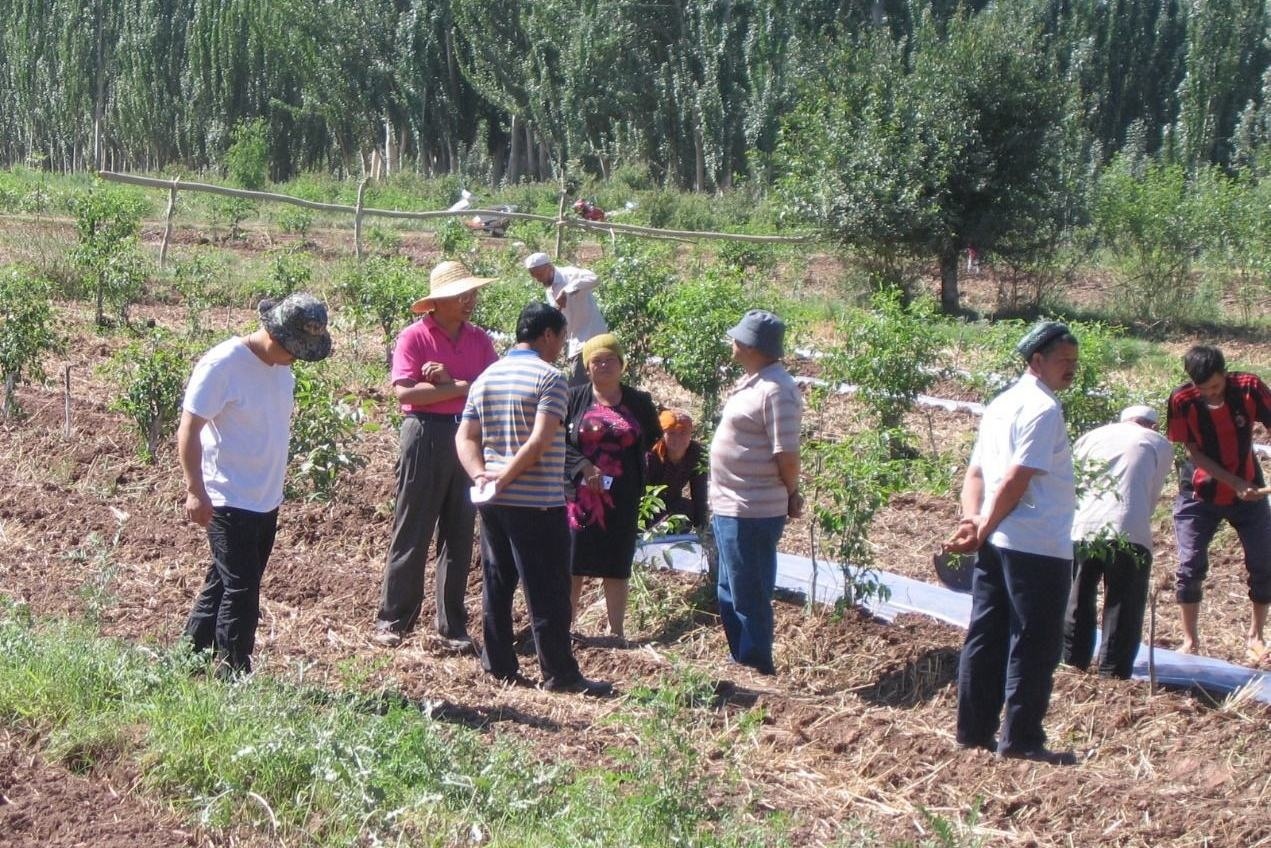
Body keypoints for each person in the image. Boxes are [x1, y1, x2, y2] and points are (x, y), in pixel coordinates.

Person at [455, 301, 612, 696]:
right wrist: (507, 476)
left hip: (492, 500)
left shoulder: (486, 377)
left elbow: (466, 437)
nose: (560, 346)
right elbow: (541, 440)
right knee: (548, 589)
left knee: (497, 580)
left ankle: (498, 664)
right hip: (537, 501)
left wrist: (482, 475)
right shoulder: (550, 379)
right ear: (547, 335)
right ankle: (559, 674)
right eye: (560, 337)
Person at [944, 321, 1079, 764]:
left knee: (987, 632)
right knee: (1034, 641)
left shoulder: (1001, 404)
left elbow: (976, 475)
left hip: (998, 539)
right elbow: (1015, 479)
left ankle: (973, 732)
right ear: (1036, 361)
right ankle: (1020, 740)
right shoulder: (1044, 409)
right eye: (1064, 362)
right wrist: (979, 526)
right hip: (1036, 544)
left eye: (1074, 363)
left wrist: (974, 522)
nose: (1071, 371)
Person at [179, 292, 333, 676]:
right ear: (275, 335)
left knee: (224, 581)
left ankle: (190, 656)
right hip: (227, 497)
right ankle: (233, 673)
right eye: (297, 349)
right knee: (242, 590)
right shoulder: (223, 364)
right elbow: (189, 428)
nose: (299, 358)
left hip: (265, 500)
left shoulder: (282, 370)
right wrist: (195, 490)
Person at [373, 261, 498, 650]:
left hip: (468, 435)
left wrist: (447, 384)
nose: (470, 301)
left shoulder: (479, 339)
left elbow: (491, 388)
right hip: (425, 433)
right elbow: (406, 394)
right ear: (439, 301)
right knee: (413, 529)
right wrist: (462, 387)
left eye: (472, 293)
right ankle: (394, 619)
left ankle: (453, 625)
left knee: (460, 533)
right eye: (462, 295)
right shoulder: (414, 337)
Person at [709, 310, 803, 676]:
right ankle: (740, 657)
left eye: (738, 338)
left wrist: (792, 492)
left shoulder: (777, 391)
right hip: (729, 505)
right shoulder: (754, 382)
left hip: (753, 509)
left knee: (750, 591)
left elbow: (787, 453)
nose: (732, 343)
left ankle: (756, 664)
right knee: (730, 590)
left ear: (751, 346)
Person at [1165, 345, 1271, 666]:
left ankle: (1257, 635)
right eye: (1203, 388)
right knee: (1190, 565)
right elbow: (1194, 453)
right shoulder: (1182, 401)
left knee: (1263, 563)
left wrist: (1245, 484)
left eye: (1216, 386)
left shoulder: (1249, 388)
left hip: (1249, 492)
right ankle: (1190, 639)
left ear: (1225, 374)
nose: (1211, 393)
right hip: (1199, 494)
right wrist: (1234, 483)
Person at [563, 333, 662, 644]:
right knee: (572, 562)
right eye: (596, 361)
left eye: (610, 359)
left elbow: (653, 441)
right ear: (587, 367)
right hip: (579, 498)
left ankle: (616, 632)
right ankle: (565, 628)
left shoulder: (639, 402)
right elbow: (556, 442)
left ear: (622, 365)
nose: (603, 365)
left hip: (623, 496)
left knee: (617, 564)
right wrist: (583, 466)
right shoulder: (573, 398)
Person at [1062, 405, 1172, 679]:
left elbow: (1072, 482)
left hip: (1083, 527)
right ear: (1153, 426)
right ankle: (1112, 672)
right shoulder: (1159, 443)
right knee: (1123, 602)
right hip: (1128, 529)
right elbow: (1150, 494)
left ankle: (1072, 664)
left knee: (1077, 597)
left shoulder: (1090, 437)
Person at [523, 252, 607, 386]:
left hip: (590, 336)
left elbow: (595, 278)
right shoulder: (549, 289)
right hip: (575, 342)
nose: (538, 279)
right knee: (586, 387)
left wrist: (567, 290)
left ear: (549, 267)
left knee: (577, 386)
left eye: (539, 274)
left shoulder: (568, 274)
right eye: (534, 276)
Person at [646, 409, 709, 532]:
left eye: (683, 433)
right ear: (662, 434)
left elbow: (700, 495)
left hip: (675, 504)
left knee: (687, 508)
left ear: (690, 434)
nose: (677, 438)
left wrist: (702, 531)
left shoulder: (697, 454)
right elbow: (639, 495)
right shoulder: (650, 456)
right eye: (671, 433)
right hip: (649, 507)